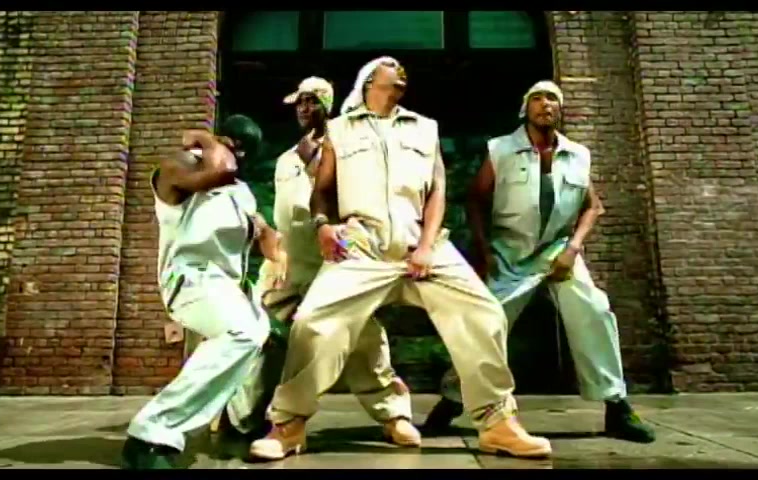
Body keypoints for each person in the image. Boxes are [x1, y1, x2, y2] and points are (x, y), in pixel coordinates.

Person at [248, 57, 552, 462]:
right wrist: (323, 226)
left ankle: (498, 423)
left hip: (420, 243)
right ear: (370, 82)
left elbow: (438, 190)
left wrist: (426, 246)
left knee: (485, 314)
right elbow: (322, 190)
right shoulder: (340, 129)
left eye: (402, 69)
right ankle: (288, 425)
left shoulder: (425, 128)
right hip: (361, 246)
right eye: (390, 67)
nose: (400, 70)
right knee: (314, 323)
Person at [423, 80, 656, 444]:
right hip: (510, 252)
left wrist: (573, 248)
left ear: (559, 110)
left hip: (557, 250)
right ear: (525, 109)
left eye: (552, 99)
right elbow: (476, 200)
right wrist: (484, 252)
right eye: (537, 98)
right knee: (486, 323)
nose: (545, 104)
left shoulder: (577, 154)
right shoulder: (501, 149)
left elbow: (592, 206)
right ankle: (453, 399)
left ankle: (617, 406)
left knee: (593, 310)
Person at [233, 76, 421, 448]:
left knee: (364, 337)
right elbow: (285, 212)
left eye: (311, 102)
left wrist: (313, 166)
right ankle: (241, 417)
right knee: (257, 333)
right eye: (299, 103)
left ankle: (394, 415)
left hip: (333, 262)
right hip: (289, 264)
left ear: (327, 105)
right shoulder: (287, 158)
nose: (304, 109)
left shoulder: (348, 149)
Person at [121, 114, 286, 469]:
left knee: (268, 335)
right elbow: (221, 170)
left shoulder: (240, 194)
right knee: (243, 332)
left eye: (245, 151)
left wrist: (272, 243)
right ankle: (150, 435)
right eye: (234, 145)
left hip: (228, 288)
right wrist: (207, 139)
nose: (239, 155)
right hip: (190, 279)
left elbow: (262, 232)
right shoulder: (178, 166)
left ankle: (241, 420)